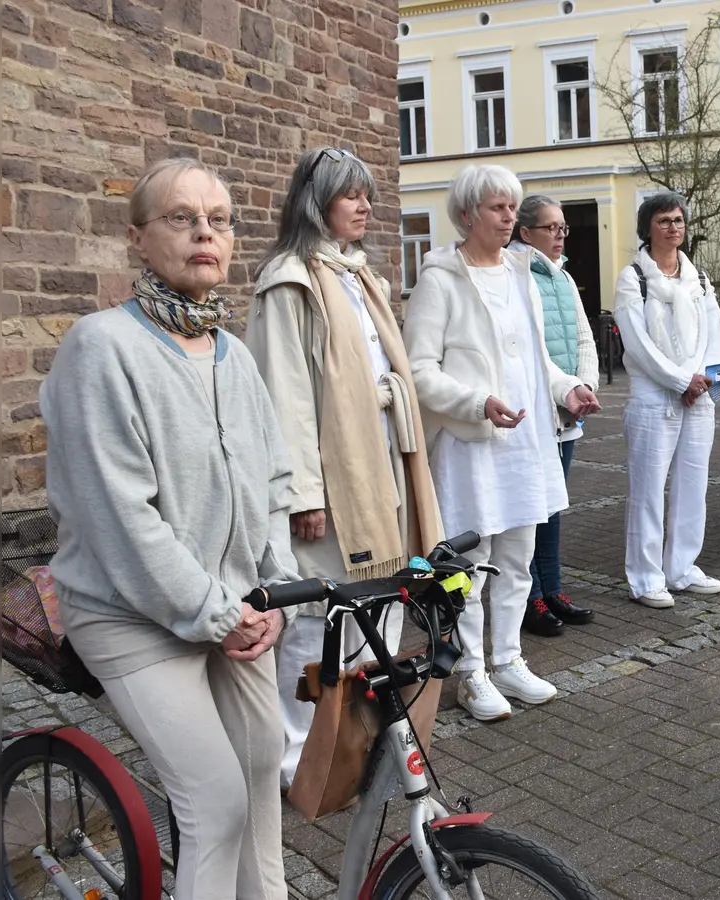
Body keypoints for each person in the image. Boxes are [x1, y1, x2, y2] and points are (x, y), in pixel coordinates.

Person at [40, 158, 291, 900]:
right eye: (181, 218)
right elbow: (119, 518)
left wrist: (270, 592)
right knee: (214, 805)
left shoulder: (234, 354)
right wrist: (216, 612)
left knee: (261, 782)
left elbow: (272, 484)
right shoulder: (101, 348)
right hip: (128, 613)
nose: (204, 232)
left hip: (236, 607)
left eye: (218, 219)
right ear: (138, 239)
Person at [246, 146, 444, 789]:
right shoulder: (290, 281)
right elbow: (286, 395)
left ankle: (349, 743)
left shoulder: (360, 278)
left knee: (381, 598)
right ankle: (292, 754)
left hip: (379, 464)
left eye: (366, 194)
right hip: (330, 479)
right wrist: (302, 491)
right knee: (318, 616)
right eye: (349, 195)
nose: (364, 206)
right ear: (316, 202)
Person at [403, 164, 600, 722]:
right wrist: (476, 402)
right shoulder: (440, 277)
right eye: (497, 207)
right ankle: (470, 671)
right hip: (472, 442)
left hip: (527, 437)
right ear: (467, 214)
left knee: (518, 557)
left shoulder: (521, 273)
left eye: (512, 206)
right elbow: (417, 370)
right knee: (470, 562)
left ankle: (509, 658)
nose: (510, 216)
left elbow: (537, 362)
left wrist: (570, 389)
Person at [613, 192, 720, 607]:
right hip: (653, 397)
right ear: (648, 228)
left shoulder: (699, 279)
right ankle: (645, 577)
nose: (674, 227)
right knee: (647, 490)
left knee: (693, 486)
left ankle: (681, 567)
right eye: (664, 220)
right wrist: (682, 380)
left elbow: (714, 334)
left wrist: (705, 381)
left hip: (697, 398)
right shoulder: (633, 278)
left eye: (678, 220)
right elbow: (638, 345)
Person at [509, 195, 600, 633]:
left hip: (568, 410)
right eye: (551, 228)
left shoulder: (563, 277)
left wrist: (586, 384)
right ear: (525, 233)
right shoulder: (516, 275)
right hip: (539, 408)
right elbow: (532, 350)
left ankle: (552, 589)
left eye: (563, 228)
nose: (560, 236)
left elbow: (583, 337)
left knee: (554, 506)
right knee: (532, 507)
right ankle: (529, 599)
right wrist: (564, 392)